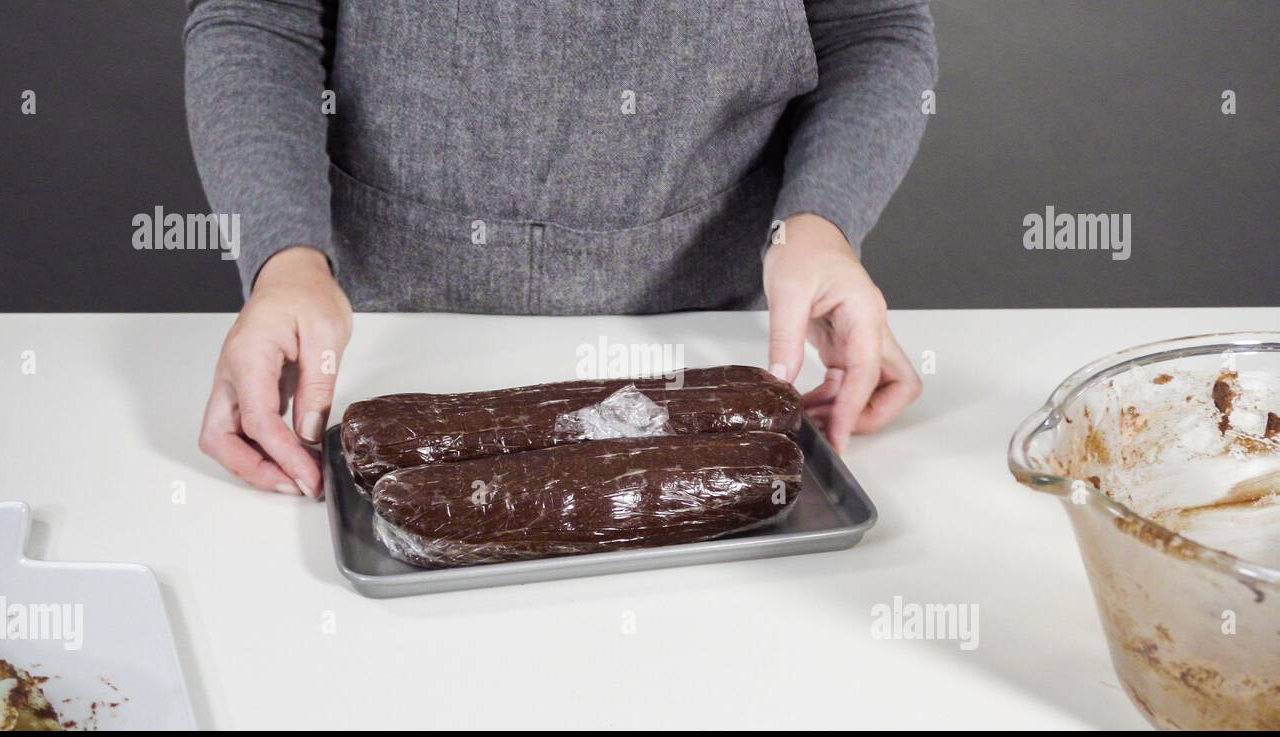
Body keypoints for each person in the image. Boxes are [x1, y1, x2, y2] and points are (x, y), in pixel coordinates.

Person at [185, 0, 936, 498]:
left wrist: (824, 221)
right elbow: (257, 15)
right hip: (376, 339)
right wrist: (282, 257)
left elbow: (870, 26)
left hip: (711, 342)